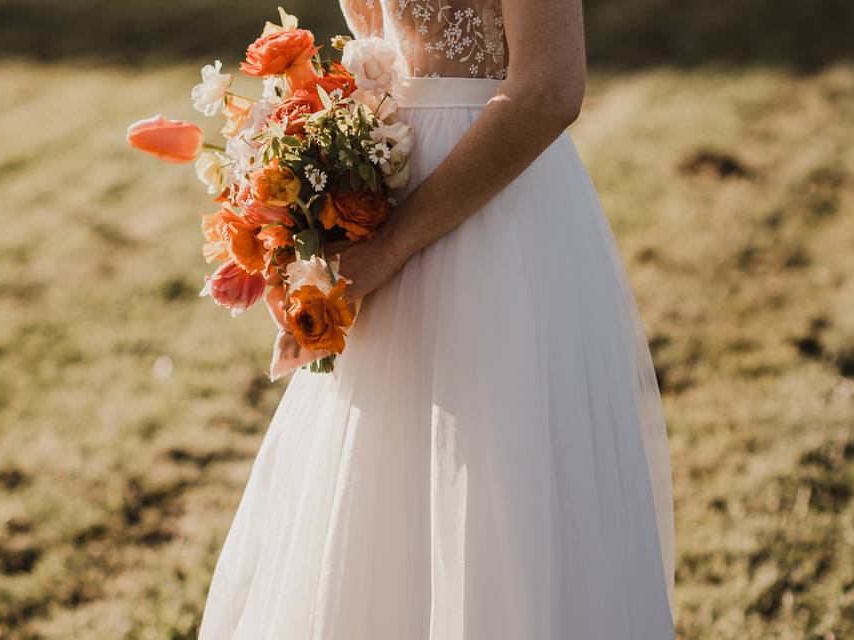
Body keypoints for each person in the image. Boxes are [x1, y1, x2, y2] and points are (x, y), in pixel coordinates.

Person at [199, 0, 676, 637]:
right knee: (380, 493)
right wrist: (310, 203)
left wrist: (392, 245)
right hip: (387, 184)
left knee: (499, 483)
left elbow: (550, 87)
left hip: (491, 209)